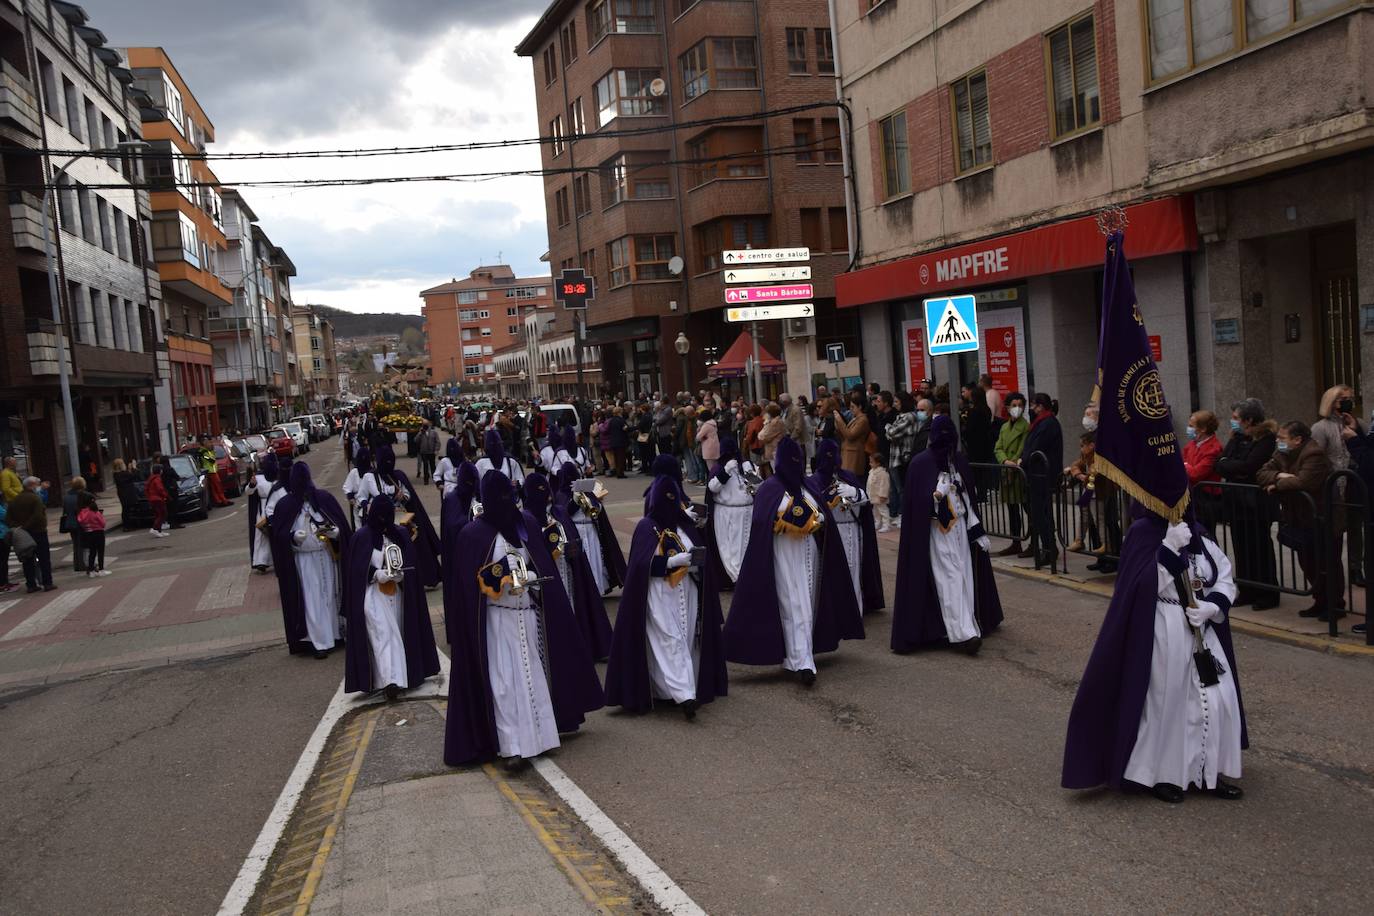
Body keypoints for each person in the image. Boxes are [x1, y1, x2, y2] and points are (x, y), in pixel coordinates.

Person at [1063, 507, 1246, 803]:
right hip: (1165, 625)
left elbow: (1223, 576)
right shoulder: (1142, 533)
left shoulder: (1199, 533)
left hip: (1201, 626)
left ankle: (1208, 772)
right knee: (1168, 701)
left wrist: (1213, 606)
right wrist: (1168, 550)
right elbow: (1136, 587)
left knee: (1216, 698)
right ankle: (1165, 774)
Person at [443, 471, 605, 770]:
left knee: (534, 678)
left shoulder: (526, 524)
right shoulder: (472, 535)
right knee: (504, 684)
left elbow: (542, 565)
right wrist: (496, 580)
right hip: (496, 620)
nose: (506, 505)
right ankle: (512, 746)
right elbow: (466, 591)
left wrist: (530, 577)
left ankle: (541, 737)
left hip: (529, 615)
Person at [722, 437, 864, 685]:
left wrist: (818, 520)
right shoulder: (770, 488)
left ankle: (801, 654)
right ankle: (802, 661)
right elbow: (763, 520)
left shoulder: (808, 486)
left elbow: (821, 513)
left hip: (810, 553)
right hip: (784, 552)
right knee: (793, 603)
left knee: (808, 602)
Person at [604, 474, 728, 718]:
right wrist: (671, 561)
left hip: (688, 590)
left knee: (686, 640)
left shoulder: (684, 526)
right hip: (660, 593)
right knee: (670, 640)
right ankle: (685, 695)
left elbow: (700, 556)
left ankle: (671, 689)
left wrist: (695, 562)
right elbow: (641, 565)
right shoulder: (646, 526)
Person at [891, 415, 1003, 655]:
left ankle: (968, 624)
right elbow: (916, 505)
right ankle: (962, 633)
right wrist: (934, 498)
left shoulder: (958, 462)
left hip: (961, 529)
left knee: (964, 575)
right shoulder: (921, 464)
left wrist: (976, 529)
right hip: (937, 532)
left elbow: (968, 500)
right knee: (949, 578)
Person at [343, 495, 441, 699]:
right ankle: (391, 681)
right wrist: (375, 574)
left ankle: (398, 677)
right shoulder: (361, 537)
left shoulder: (400, 535)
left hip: (397, 595)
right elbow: (355, 569)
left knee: (397, 633)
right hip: (374, 596)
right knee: (383, 635)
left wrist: (402, 575)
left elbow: (410, 564)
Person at [1257, 420, 1342, 622]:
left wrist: (1277, 485)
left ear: (1297, 439)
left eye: (1282, 438)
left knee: (1328, 563)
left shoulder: (1313, 453)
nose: (1278, 441)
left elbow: (1305, 481)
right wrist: (1280, 475)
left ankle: (1335, 606)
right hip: (1300, 518)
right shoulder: (1282, 454)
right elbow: (1261, 473)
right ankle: (1320, 601)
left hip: (1324, 518)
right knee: (1308, 563)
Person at [524, 471, 612, 661]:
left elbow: (570, 534)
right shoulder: (527, 519)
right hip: (549, 580)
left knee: (574, 608)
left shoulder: (559, 512)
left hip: (568, 573)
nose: (545, 496)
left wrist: (572, 549)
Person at [270, 463, 351, 658]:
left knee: (330, 595)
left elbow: (341, 525)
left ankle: (334, 634)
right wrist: (291, 538)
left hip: (327, 556)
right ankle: (319, 642)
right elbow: (278, 535)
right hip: (304, 560)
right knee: (312, 600)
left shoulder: (323, 499)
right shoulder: (286, 505)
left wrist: (336, 533)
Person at [1215, 399, 1279, 610]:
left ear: (1248, 419)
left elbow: (1251, 466)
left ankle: (1267, 593)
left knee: (1259, 547)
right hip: (1236, 503)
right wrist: (1233, 467)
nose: (1232, 422)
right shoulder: (1238, 437)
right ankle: (1247, 589)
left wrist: (1232, 466)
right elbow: (1220, 463)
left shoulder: (1266, 439)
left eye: (1235, 418)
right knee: (1241, 547)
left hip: (1256, 504)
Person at [809, 439, 884, 615]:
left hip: (852, 529)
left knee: (853, 570)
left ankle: (853, 610)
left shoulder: (848, 476)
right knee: (830, 573)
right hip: (829, 532)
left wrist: (855, 493)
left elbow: (865, 501)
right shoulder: (813, 481)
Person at [356, 445, 442, 589]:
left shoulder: (396, 476)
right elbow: (361, 497)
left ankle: (410, 577)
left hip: (397, 518)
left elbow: (408, 495)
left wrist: (402, 497)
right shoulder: (369, 477)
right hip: (376, 522)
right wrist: (367, 505)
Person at [1311, 385, 1364, 587]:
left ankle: (1355, 568)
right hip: (1333, 486)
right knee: (1334, 531)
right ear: (1332, 402)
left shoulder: (1359, 423)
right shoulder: (1321, 427)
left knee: (1355, 528)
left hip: (1355, 484)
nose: (1348, 402)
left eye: (1350, 398)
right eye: (1343, 399)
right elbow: (1316, 458)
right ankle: (1333, 573)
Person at [554, 463, 626, 595]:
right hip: (574, 531)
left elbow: (597, 510)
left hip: (590, 530)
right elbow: (563, 513)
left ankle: (597, 589)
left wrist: (594, 501)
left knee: (594, 558)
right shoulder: (561, 493)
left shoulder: (587, 491)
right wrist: (574, 503)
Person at [706, 436, 756, 585]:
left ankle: (748, 578)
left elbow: (758, 487)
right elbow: (713, 487)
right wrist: (726, 472)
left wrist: (751, 475)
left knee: (748, 548)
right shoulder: (718, 468)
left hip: (748, 510)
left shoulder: (745, 465)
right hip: (728, 512)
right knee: (732, 549)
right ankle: (738, 580)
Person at [1022, 393, 1063, 568]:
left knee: (1042, 514)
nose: (1031, 408)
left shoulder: (1048, 423)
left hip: (1043, 475)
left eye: (1033, 405)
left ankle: (1049, 549)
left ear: (1040, 406)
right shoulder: (1042, 422)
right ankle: (1048, 548)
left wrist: (1023, 460)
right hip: (1038, 475)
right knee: (1041, 514)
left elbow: (1036, 447)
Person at [992, 392, 1030, 556]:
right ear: (1007, 407)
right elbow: (997, 447)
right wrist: (1004, 460)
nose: (1017, 408)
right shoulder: (1004, 427)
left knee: (1028, 508)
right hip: (1008, 472)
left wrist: (1013, 461)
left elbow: (1023, 447)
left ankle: (1034, 541)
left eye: (1020, 405)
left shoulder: (1026, 426)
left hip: (1019, 473)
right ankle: (1016, 542)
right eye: (1014, 405)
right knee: (1012, 510)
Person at [7, 477, 56, 593]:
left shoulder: (15, 500)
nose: (38, 486)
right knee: (44, 558)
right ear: (32, 485)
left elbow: (8, 518)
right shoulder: (35, 498)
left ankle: (31, 584)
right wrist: (26, 526)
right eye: (37, 484)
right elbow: (38, 516)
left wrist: (19, 527)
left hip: (23, 535)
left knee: (27, 559)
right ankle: (47, 583)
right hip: (38, 532)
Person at [1183, 410, 1223, 537]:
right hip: (1192, 496)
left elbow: (1196, 474)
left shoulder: (1214, 448)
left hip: (1206, 499)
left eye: (1191, 426)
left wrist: (1185, 466)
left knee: (1206, 535)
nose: (1188, 428)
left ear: (1203, 429)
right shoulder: (1191, 445)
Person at [248, 454, 282, 573]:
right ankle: (261, 561)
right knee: (262, 536)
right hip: (263, 506)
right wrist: (252, 484)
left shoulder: (279, 474)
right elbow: (249, 491)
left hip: (278, 505)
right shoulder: (258, 477)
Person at [833, 391, 872, 477]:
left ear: (860, 407)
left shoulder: (862, 420)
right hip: (848, 452)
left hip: (855, 454)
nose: (851, 409)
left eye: (853, 407)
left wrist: (840, 421)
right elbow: (845, 435)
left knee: (853, 480)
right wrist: (838, 426)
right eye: (850, 407)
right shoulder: (855, 419)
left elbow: (850, 435)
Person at [76, 490, 109, 577]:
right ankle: (101, 569)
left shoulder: (82, 512)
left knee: (92, 552)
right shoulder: (95, 512)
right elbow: (103, 523)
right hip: (98, 532)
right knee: (100, 552)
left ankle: (91, 571)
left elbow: (81, 522)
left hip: (89, 533)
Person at [195, 434, 231, 507]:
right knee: (218, 486)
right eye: (207, 442)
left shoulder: (206, 451)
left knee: (214, 487)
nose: (209, 443)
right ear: (203, 443)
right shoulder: (203, 452)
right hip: (211, 471)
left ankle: (219, 501)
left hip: (212, 471)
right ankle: (223, 500)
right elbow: (210, 460)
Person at [61, 476, 86, 573]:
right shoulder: (82, 496)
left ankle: (77, 564)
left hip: (70, 523)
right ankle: (82, 564)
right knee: (82, 544)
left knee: (76, 545)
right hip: (80, 522)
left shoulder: (67, 497)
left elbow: (65, 511)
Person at [342, 446, 370, 529]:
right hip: (357, 504)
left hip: (370, 505)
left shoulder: (372, 473)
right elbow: (347, 487)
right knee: (359, 527)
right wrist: (350, 497)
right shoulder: (354, 472)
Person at [757, 402, 785, 477]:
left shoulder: (775, 423)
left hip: (775, 450)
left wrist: (765, 425)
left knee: (777, 471)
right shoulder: (771, 422)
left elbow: (763, 436)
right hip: (773, 450)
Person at [868, 452, 893, 533]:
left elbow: (885, 485)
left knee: (883, 511)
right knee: (875, 511)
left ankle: (886, 525)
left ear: (878, 463)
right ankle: (877, 522)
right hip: (873, 496)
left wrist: (883, 495)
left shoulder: (883, 473)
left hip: (880, 496)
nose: (870, 463)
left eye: (872, 462)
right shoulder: (871, 471)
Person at [145, 464, 170, 539]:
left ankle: (159, 530)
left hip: (153, 499)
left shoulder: (151, 478)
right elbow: (160, 489)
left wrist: (149, 497)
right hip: (158, 499)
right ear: (159, 471)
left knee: (158, 514)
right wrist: (166, 496)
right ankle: (155, 528)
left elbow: (146, 489)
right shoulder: (157, 479)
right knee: (163, 514)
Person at [112, 459, 137, 531]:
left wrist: (129, 469)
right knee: (127, 509)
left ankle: (126, 525)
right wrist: (134, 467)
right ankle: (127, 525)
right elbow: (134, 476)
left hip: (122, 493)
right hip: (127, 493)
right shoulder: (122, 474)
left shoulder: (116, 474)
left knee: (125, 509)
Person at [607, 407, 629, 478]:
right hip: (621, 441)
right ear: (619, 412)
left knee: (616, 457)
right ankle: (620, 473)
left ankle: (617, 471)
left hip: (613, 441)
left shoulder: (611, 420)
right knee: (621, 457)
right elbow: (625, 429)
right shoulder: (621, 420)